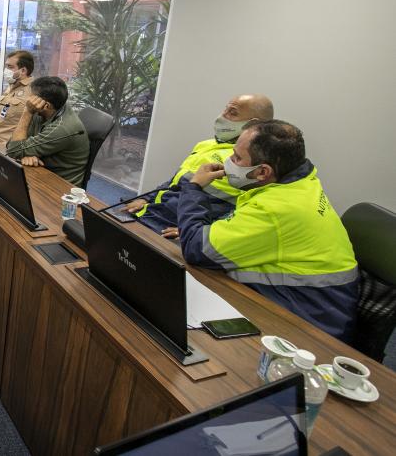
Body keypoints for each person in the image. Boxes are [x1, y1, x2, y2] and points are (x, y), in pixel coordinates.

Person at [177, 120, 358, 342]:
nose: (228, 162)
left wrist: (194, 188)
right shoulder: (302, 183)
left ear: (262, 171)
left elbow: (197, 250)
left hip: (308, 325)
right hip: (315, 304)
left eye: (237, 158)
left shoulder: (276, 208)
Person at [125, 94, 274, 238]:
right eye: (225, 109)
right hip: (153, 212)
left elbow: (242, 211)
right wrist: (146, 199)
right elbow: (176, 181)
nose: (223, 116)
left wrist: (201, 233)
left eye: (232, 113)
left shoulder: (250, 162)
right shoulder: (206, 144)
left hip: (178, 228)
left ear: (254, 124)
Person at [6, 76, 89, 187]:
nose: (28, 101)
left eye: (31, 96)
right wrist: (24, 154)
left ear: (45, 105)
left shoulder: (62, 127)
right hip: (40, 172)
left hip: (59, 186)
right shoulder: (45, 110)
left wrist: (27, 112)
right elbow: (12, 144)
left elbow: (14, 149)